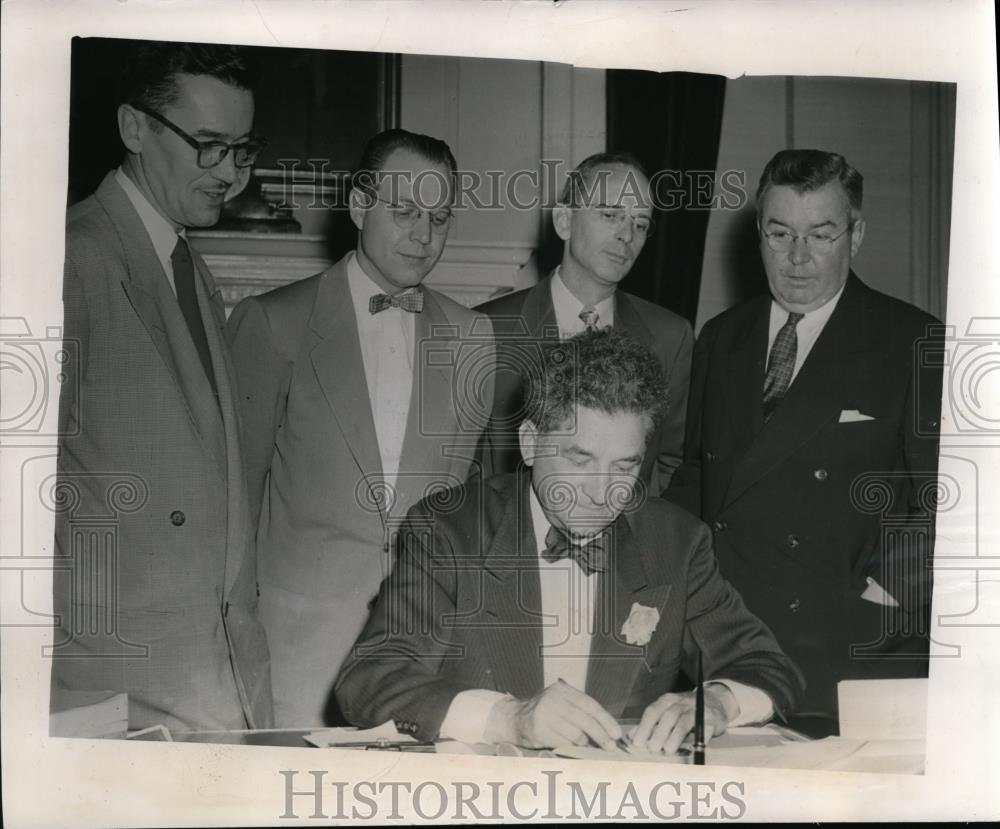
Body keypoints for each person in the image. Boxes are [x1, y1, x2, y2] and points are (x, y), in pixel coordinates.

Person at [335, 328, 803, 752]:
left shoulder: (676, 543)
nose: (603, 494)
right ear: (530, 443)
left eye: (625, 466)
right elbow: (370, 679)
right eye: (580, 460)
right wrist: (507, 718)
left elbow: (770, 668)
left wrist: (717, 702)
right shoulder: (449, 530)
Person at [665, 149, 943, 731]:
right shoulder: (721, 337)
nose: (797, 259)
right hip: (729, 640)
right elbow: (694, 478)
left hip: (849, 642)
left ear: (856, 234)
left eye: (821, 234)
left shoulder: (915, 340)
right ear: (758, 235)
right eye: (779, 233)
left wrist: (884, 595)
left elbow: (957, 497)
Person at [226, 128, 495, 727]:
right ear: (358, 206)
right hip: (298, 655)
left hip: (419, 658)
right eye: (404, 212)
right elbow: (232, 505)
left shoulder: (473, 337)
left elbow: (464, 510)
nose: (423, 236)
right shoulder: (272, 324)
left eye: (439, 217)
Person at [54, 41, 273, 732]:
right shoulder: (71, 257)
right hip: (109, 684)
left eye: (241, 148)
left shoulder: (188, 266)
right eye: (208, 145)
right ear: (134, 127)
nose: (230, 174)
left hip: (205, 680)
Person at [475, 152, 692, 493]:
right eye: (610, 215)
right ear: (564, 221)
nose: (627, 235)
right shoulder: (486, 328)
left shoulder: (671, 337)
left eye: (640, 224)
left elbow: (670, 464)